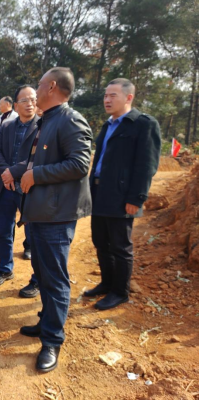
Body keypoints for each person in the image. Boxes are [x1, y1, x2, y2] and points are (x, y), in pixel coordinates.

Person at [19, 68, 93, 373]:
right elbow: (40, 161)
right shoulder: (47, 120)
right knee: (43, 273)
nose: (35, 90)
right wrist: (19, 171)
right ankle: (46, 322)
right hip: (40, 212)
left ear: (51, 87)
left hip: (56, 216)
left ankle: (52, 341)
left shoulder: (70, 120)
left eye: (39, 85)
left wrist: (36, 175)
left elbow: (80, 164)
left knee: (55, 279)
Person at [85, 78, 161, 311]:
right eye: (105, 95)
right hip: (99, 192)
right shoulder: (107, 125)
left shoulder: (143, 124)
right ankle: (107, 283)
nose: (107, 100)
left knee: (120, 246)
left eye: (113, 95)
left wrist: (136, 198)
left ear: (129, 97)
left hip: (121, 196)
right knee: (101, 242)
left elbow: (146, 165)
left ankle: (120, 292)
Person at [0, 86, 39, 290]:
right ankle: (5, 269)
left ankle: (37, 278)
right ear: (16, 105)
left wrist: (13, 171)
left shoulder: (43, 127)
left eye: (33, 99)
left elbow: (40, 158)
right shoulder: (7, 126)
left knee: (34, 234)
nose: (30, 104)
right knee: (4, 232)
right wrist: (4, 172)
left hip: (30, 188)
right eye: (25, 100)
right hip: (5, 187)